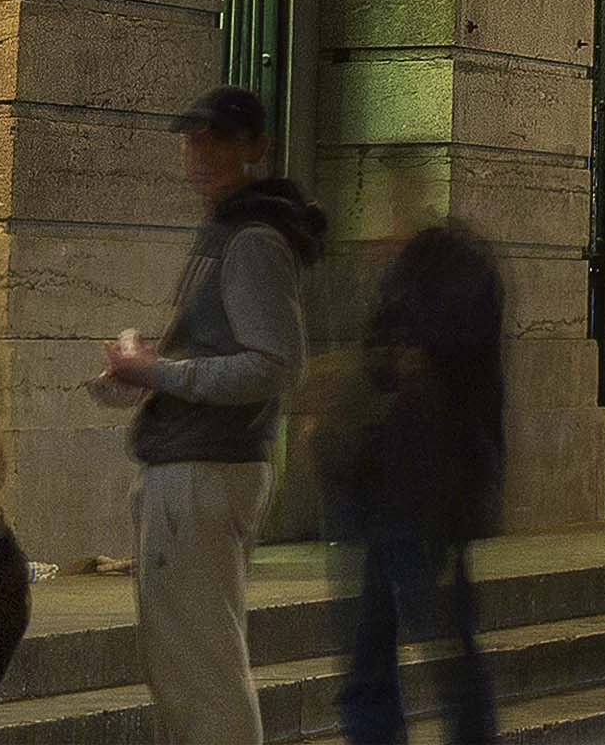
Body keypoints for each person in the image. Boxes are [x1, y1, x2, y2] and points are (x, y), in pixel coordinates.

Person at [100, 90, 320, 745]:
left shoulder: (251, 239)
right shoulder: (230, 229)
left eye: (220, 140)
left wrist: (161, 373)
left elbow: (274, 364)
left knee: (203, 673)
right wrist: (152, 368)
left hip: (203, 469)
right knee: (189, 669)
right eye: (193, 139)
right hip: (195, 462)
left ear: (257, 149)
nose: (202, 154)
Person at [328, 220, 503, 745]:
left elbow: (447, 372)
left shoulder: (457, 268)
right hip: (382, 486)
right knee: (373, 654)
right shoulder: (407, 275)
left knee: (439, 650)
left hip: (428, 492)